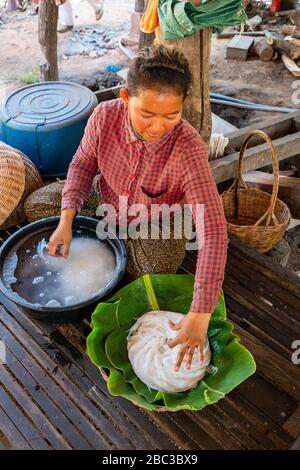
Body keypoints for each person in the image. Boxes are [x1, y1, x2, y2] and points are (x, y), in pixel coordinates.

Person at [48, 44, 228, 372]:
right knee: (42, 206)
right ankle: (103, 237)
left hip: (159, 221)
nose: (157, 126)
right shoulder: (104, 117)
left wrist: (200, 314)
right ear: (125, 98)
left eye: (170, 116)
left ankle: (118, 246)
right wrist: (66, 218)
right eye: (146, 113)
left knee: (150, 270)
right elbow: (82, 164)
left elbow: (214, 231)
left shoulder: (188, 149)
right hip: (107, 202)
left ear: (182, 107)